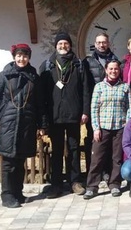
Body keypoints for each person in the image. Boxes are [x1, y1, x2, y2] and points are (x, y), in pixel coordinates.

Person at [0, 44, 47, 208]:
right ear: (14, 57)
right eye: (19, 55)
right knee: (8, 162)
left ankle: (18, 192)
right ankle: (7, 195)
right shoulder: (4, 76)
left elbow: (40, 103)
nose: (22, 59)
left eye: (25, 56)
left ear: (29, 58)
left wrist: (42, 125)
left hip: (27, 124)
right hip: (8, 124)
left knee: (20, 161)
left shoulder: (34, 77)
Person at [39, 32, 90, 198]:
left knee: (74, 149)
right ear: (56, 46)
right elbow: (43, 95)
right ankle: (56, 185)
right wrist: (44, 120)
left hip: (74, 115)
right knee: (57, 150)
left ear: (70, 45)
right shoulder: (47, 66)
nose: (63, 46)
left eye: (66, 44)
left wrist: (85, 111)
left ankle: (75, 182)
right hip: (55, 116)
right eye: (60, 44)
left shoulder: (79, 65)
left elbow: (85, 91)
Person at [84, 59, 131, 199]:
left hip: (119, 127)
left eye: (116, 69)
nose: (113, 71)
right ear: (106, 70)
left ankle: (114, 184)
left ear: (119, 70)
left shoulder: (125, 87)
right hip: (103, 127)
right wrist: (96, 128)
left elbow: (130, 108)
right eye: (110, 69)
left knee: (116, 158)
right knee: (97, 158)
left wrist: (127, 126)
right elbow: (94, 109)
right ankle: (92, 186)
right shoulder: (99, 87)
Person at [83, 33, 118, 179]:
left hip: (111, 107)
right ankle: (95, 174)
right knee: (96, 141)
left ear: (108, 43)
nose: (101, 45)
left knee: (111, 143)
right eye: (99, 42)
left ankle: (108, 172)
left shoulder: (115, 60)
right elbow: (84, 85)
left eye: (104, 42)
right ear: (95, 44)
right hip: (95, 105)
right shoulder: (88, 62)